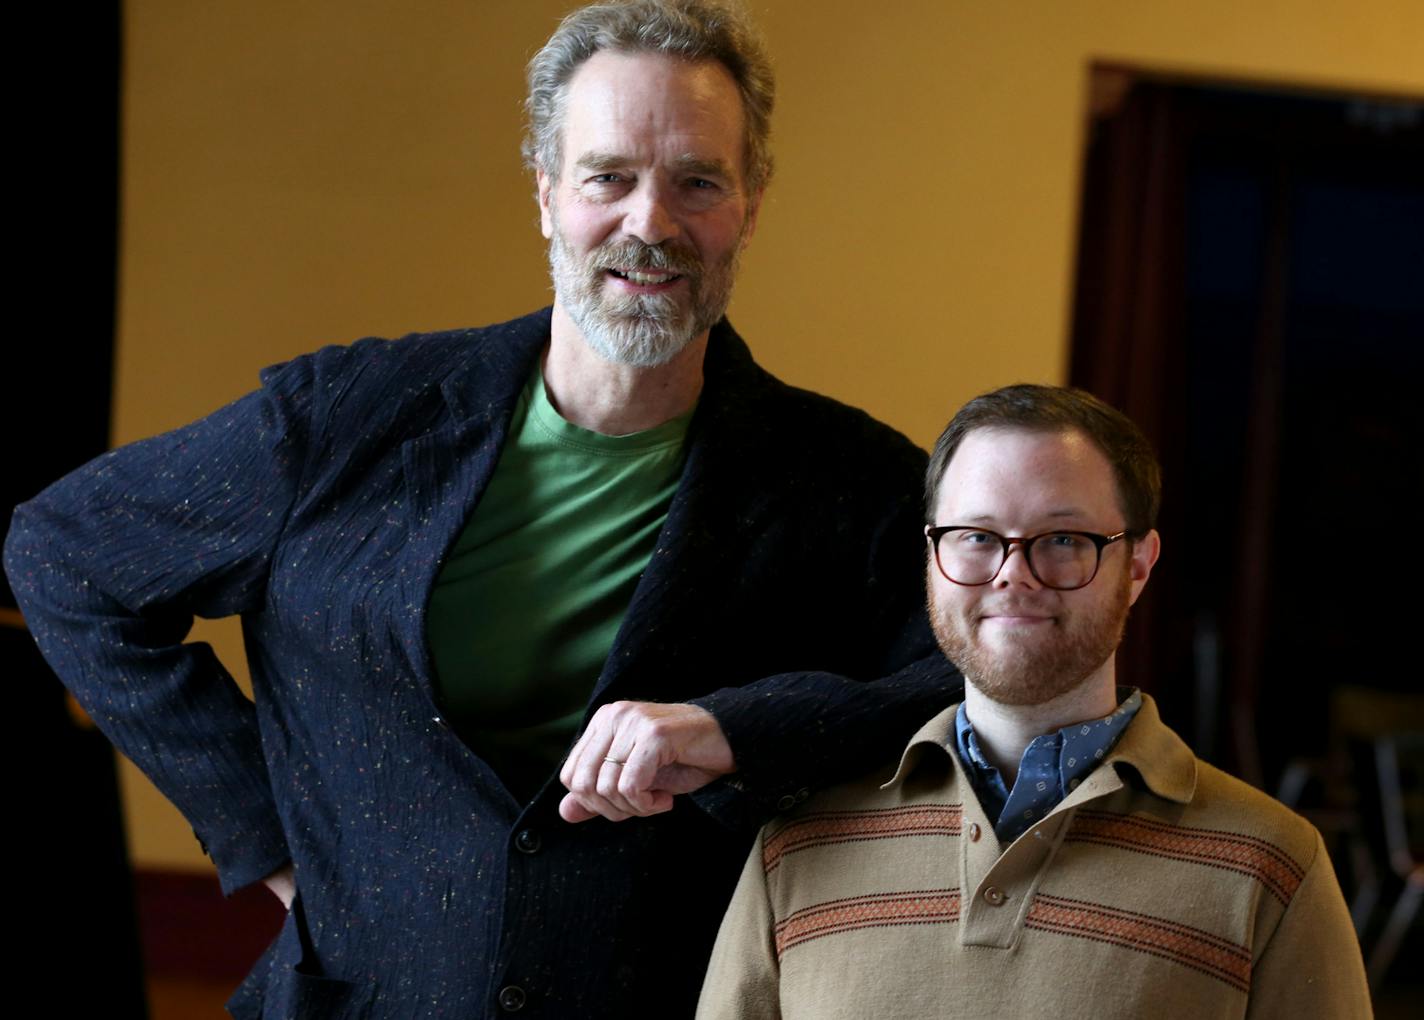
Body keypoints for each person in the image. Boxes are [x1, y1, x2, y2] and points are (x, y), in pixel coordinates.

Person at [3, 2, 962, 1017]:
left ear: (750, 203)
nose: (650, 222)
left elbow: (963, 681)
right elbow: (65, 556)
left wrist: (739, 730)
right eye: (608, 177)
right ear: (546, 193)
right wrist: (263, 830)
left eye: (696, 182)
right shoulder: (349, 417)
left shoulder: (850, 484)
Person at [698, 385, 1372, 1019]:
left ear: (1138, 565)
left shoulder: (1273, 867)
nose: (1012, 574)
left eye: (1062, 541)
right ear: (931, 558)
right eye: (977, 537)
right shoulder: (795, 846)